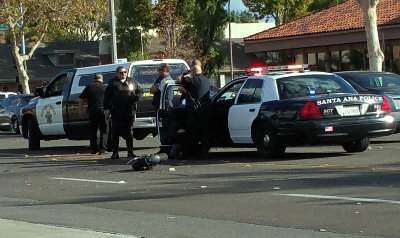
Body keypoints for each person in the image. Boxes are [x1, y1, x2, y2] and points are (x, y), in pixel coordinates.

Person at [104, 66, 141, 160]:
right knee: (115, 133)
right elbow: (106, 97)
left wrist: (137, 98)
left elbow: (140, 91)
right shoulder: (113, 83)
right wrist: (107, 109)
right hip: (116, 112)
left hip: (129, 111)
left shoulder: (132, 81)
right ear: (117, 73)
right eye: (121, 72)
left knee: (129, 132)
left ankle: (130, 152)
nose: (123, 74)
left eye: (125, 72)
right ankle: (115, 153)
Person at [180, 59, 211, 158]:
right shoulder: (206, 80)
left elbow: (182, 79)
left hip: (194, 111)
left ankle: (190, 153)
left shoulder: (191, 80)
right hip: (206, 110)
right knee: (205, 132)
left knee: (192, 132)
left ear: (193, 69)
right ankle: (204, 152)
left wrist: (187, 73)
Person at [79, 74, 107, 154]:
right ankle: (102, 149)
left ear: (94, 79)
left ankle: (94, 149)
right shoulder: (105, 87)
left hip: (92, 111)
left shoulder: (89, 87)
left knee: (93, 130)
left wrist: (81, 110)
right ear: (101, 79)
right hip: (103, 111)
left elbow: (81, 99)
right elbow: (110, 99)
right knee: (104, 130)